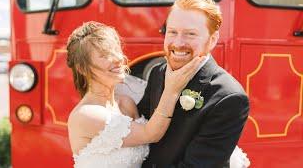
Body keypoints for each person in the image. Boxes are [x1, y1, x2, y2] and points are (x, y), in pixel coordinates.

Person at [66, 21, 205, 168]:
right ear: (82, 68)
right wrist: (172, 90)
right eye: (105, 55)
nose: (118, 58)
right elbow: (150, 134)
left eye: (116, 50)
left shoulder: (127, 103)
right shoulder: (85, 115)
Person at [138, 0, 250, 168]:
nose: (178, 42)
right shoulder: (158, 73)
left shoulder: (229, 97)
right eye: (172, 32)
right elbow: (141, 128)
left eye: (190, 34)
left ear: (212, 40)